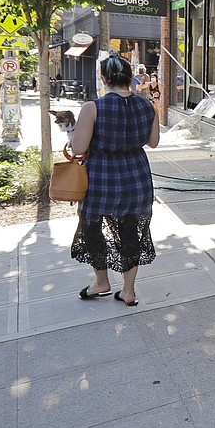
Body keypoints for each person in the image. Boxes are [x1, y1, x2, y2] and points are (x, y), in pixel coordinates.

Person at [69, 49, 160, 306]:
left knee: (92, 226)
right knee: (131, 231)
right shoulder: (147, 105)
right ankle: (128, 291)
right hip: (137, 177)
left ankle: (101, 282)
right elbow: (152, 142)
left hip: (102, 179)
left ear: (103, 78)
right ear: (130, 77)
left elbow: (78, 148)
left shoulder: (92, 107)